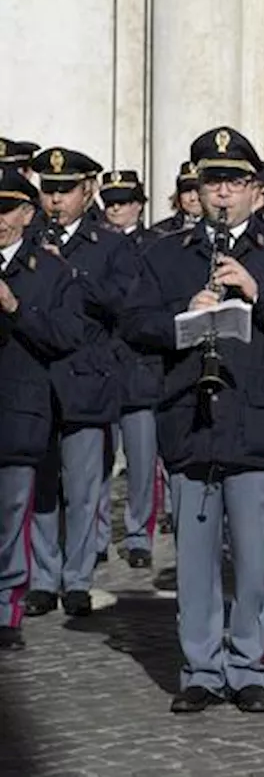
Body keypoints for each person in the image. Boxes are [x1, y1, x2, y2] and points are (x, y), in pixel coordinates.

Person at [120, 126, 264, 714]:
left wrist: (257, 293)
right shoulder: (164, 254)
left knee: (258, 556)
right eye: (211, 182)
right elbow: (133, 323)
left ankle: (248, 665)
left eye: (233, 183)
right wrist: (180, 318)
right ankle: (200, 669)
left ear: (257, 191)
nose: (221, 195)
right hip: (190, 417)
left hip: (259, 420)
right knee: (195, 558)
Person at [26, 147, 136, 617]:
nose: (55, 201)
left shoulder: (109, 243)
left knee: (84, 485)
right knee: (41, 483)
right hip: (34, 378)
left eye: (64, 191)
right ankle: (42, 578)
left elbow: (125, 301)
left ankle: (77, 578)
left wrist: (69, 273)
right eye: (48, 191)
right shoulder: (26, 238)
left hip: (86, 376)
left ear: (87, 190)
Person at [0, 168, 84, 650]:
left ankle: (5, 610)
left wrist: (16, 309)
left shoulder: (49, 271)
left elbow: (67, 337)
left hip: (18, 409)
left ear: (28, 214)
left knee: (11, 513)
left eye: (6, 209)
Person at [99, 170, 164, 568]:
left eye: (123, 201)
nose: (116, 209)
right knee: (98, 463)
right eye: (110, 202)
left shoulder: (155, 246)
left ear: (139, 204)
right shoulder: (96, 244)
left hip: (140, 363)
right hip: (103, 366)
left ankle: (139, 535)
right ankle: (98, 535)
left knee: (142, 461)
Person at [153, 162, 203, 234]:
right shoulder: (160, 231)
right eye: (186, 190)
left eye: (198, 190)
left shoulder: (221, 232)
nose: (193, 197)